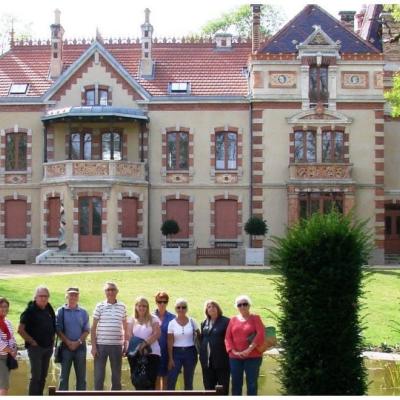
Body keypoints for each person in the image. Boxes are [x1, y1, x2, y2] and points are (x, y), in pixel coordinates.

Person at [18, 286, 56, 395]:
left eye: (46, 296)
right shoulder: (29, 311)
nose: (43, 298)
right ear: (35, 297)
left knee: (43, 376)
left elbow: (53, 324)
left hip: (48, 348)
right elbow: (20, 330)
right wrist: (31, 341)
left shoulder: (49, 308)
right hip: (35, 349)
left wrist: (52, 340)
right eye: (41, 296)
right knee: (36, 377)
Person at [225, 294, 265, 396]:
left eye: (245, 304)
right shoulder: (233, 319)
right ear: (236, 307)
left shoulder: (255, 318)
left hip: (253, 356)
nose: (242, 307)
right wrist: (234, 351)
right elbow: (227, 337)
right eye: (239, 305)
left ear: (249, 305)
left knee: (251, 384)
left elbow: (261, 334)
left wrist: (249, 349)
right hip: (235, 357)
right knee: (236, 383)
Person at [91, 282, 128, 391]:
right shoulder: (100, 306)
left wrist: (125, 344)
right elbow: (93, 328)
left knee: (116, 378)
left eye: (113, 289)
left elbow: (125, 327)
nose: (110, 292)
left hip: (117, 346)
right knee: (98, 377)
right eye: (108, 290)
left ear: (117, 291)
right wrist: (93, 347)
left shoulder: (122, 306)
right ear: (105, 292)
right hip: (100, 346)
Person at [56, 287, 90, 390]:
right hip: (66, 348)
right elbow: (58, 329)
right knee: (63, 378)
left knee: (81, 379)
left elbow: (86, 330)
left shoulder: (83, 312)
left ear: (78, 297)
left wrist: (78, 342)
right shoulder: (60, 311)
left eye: (75, 295)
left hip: (80, 348)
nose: (73, 297)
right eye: (71, 294)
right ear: (66, 296)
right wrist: (68, 342)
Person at [127, 296, 161, 390]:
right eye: (139, 305)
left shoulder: (153, 319)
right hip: (136, 353)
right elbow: (129, 335)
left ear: (147, 307)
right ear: (136, 306)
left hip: (152, 353)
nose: (142, 308)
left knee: (150, 381)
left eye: (144, 306)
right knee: (137, 381)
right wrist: (138, 347)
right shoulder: (131, 319)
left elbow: (157, 333)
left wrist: (144, 344)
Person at [167, 298, 200, 390]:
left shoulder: (192, 321)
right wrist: (170, 358)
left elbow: (199, 336)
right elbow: (169, 341)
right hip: (176, 352)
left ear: (187, 309)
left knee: (188, 382)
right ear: (175, 309)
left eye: (183, 307)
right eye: (178, 307)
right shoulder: (171, 323)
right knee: (171, 380)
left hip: (190, 352)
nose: (181, 309)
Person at [199, 300, 230, 395]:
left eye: (213, 306)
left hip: (222, 360)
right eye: (209, 307)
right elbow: (201, 339)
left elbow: (229, 339)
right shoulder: (204, 322)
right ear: (206, 310)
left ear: (218, 308)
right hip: (207, 362)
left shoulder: (226, 321)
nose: (211, 308)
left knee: (223, 387)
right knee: (208, 387)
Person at [153, 291, 175, 390]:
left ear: (167, 302)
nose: (162, 304)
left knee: (166, 382)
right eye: (159, 301)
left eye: (164, 301)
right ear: (156, 302)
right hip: (154, 353)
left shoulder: (172, 318)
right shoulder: (150, 316)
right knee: (155, 381)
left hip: (167, 352)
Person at [0, 297, 17, 396]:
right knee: (4, 387)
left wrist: (14, 349)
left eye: (6, 307)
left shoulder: (8, 322)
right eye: (1, 306)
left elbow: (12, 338)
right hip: (0, 358)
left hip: (8, 358)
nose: (4, 309)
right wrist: (11, 351)